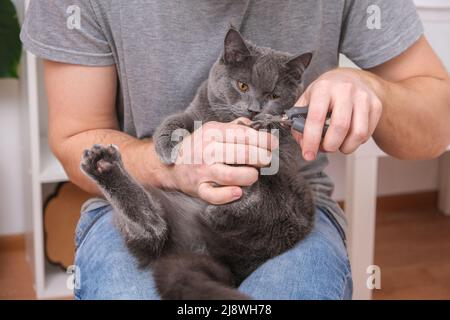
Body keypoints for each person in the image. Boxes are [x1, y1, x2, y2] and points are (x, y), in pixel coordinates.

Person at [21, 0, 450, 299]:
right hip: (155, 197)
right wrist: (168, 167)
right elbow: (77, 136)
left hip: (276, 221)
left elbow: (437, 120)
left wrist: (370, 87)